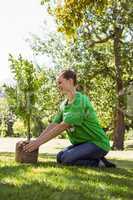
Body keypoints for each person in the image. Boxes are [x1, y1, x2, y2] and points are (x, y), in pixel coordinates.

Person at [23, 69, 116, 168]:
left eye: (60, 82)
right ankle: (96, 158)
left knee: (66, 159)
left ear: (70, 81)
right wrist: (37, 141)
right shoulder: (63, 105)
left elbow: (63, 126)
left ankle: (99, 163)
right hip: (82, 144)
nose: (58, 86)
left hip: (97, 143)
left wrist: (38, 143)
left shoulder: (80, 101)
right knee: (60, 157)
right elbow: (53, 125)